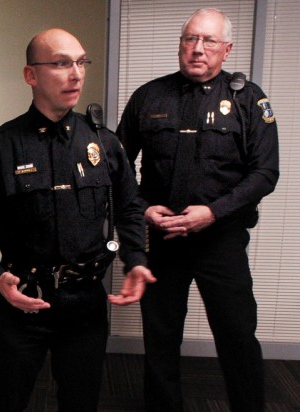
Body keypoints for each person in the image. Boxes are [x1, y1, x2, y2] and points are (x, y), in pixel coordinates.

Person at [0, 28, 155, 412]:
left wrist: (137, 260)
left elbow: (130, 206)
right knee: (6, 400)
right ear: (31, 75)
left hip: (84, 303)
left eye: (81, 62)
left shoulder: (104, 143)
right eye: (61, 63)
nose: (76, 74)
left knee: (81, 401)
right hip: (22, 300)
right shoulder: (3, 145)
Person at [116, 8, 280, 412]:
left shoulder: (249, 99)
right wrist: (143, 209)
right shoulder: (148, 96)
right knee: (160, 339)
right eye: (190, 39)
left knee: (237, 336)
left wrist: (213, 212)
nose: (197, 49)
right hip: (163, 240)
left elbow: (265, 173)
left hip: (220, 241)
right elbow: (117, 170)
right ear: (180, 45)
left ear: (227, 50)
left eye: (208, 41)